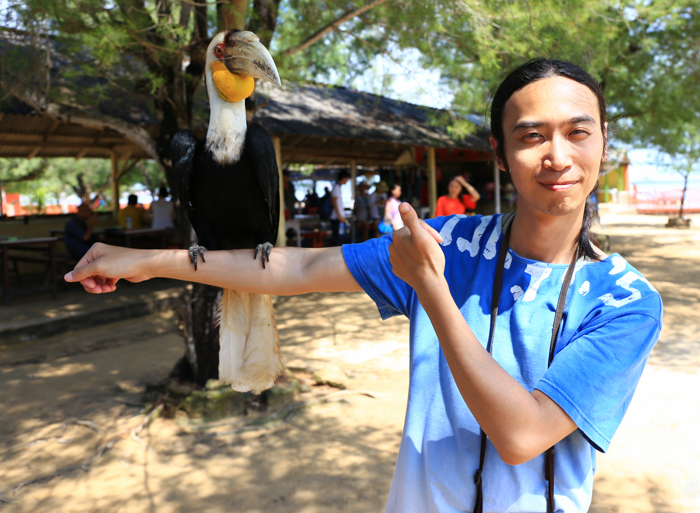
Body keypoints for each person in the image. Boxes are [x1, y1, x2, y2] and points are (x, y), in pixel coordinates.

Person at [65, 58, 663, 513]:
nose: (557, 155)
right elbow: (298, 269)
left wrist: (432, 290)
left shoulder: (624, 303)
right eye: (531, 136)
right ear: (501, 155)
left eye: (578, 133)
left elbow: (521, 434)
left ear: (604, 143)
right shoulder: (449, 243)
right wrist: (148, 261)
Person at [330, 170, 351, 246]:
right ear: (343, 178)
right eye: (347, 178)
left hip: (338, 217)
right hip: (336, 217)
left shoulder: (338, 187)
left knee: (339, 236)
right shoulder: (336, 187)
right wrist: (339, 215)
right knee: (337, 237)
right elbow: (334, 202)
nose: (347, 180)